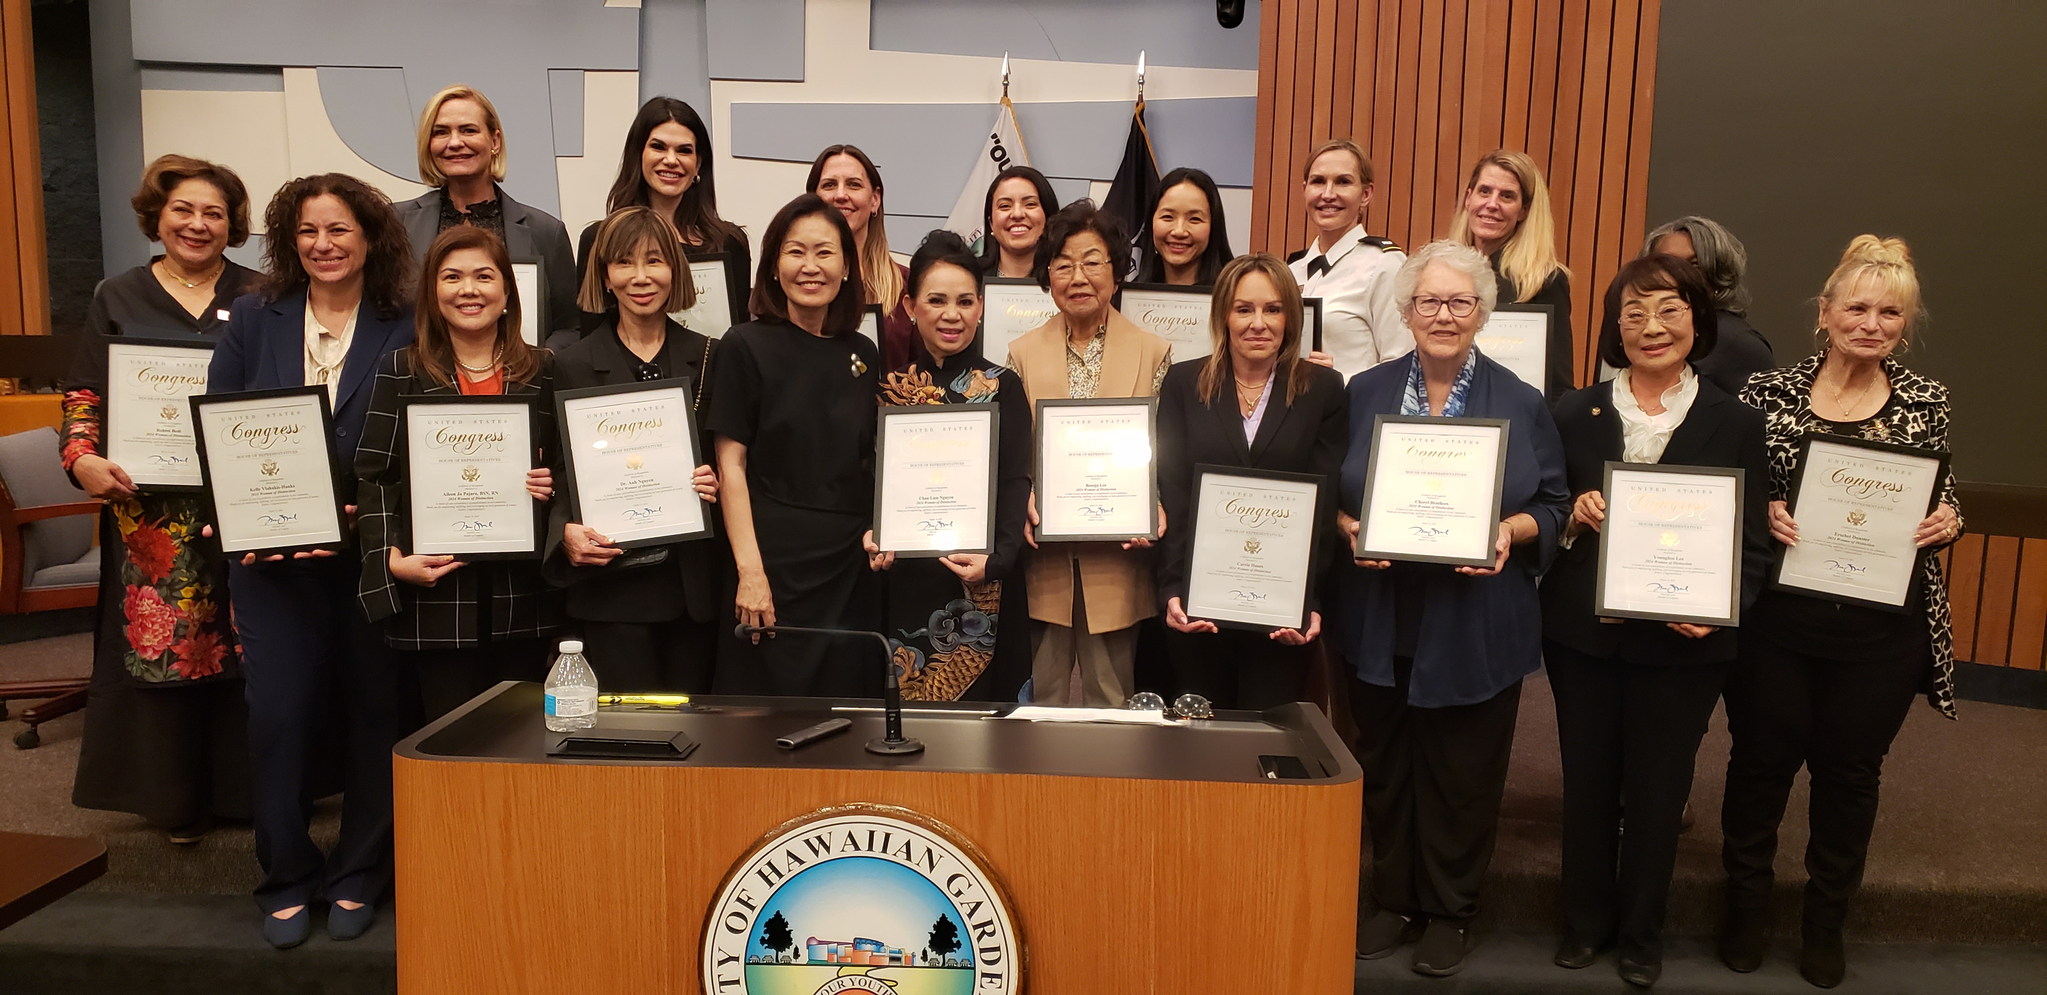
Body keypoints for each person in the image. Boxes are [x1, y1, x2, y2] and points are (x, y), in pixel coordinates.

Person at [1719, 236, 1962, 989]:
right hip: (1778, 622)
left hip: (1878, 631)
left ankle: (1825, 923)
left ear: (1905, 324)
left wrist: (1950, 516)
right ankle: (1744, 912)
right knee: (1760, 763)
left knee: (1849, 774)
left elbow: (1941, 489)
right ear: (1822, 313)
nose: (1870, 322)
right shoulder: (1767, 391)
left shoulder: (1927, 400)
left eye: (1889, 312)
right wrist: (1761, 508)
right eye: (1855, 307)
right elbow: (1733, 486)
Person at [1332, 240, 1569, 976]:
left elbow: (1554, 504)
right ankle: (1393, 898)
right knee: (1388, 761)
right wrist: (1348, 530)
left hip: (1474, 621)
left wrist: (1508, 528)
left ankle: (1449, 908)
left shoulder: (1520, 400)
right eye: (1427, 301)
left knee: (1462, 771)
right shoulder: (1363, 392)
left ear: (1481, 312)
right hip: (1380, 614)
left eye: (1458, 301)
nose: (1442, 314)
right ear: (1404, 311)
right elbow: (1329, 495)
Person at [1541, 255, 1773, 988]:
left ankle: (1642, 932)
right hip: (1583, 635)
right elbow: (1544, 514)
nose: (1651, 326)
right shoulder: (1573, 412)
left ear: (1697, 321)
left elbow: (1755, 547)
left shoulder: (1735, 420)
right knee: (1585, 780)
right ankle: (1583, 922)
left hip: (1684, 643)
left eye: (1669, 309)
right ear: (1614, 327)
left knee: (1656, 788)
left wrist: (1720, 607)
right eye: (1633, 312)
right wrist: (1573, 518)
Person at [206, 173, 415, 947]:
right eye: (306, 232)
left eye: (338, 230)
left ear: (370, 238)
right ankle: (286, 872)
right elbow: (223, 422)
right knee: (280, 715)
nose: (323, 245)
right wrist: (239, 516)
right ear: (289, 242)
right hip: (271, 559)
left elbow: (424, 425)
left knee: (373, 712)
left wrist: (380, 509)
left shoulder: (406, 316)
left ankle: (360, 870)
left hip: (370, 556)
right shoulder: (257, 316)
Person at [62, 154, 262, 843]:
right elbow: (85, 393)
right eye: (184, 210)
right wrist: (81, 456)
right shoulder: (117, 295)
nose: (198, 224)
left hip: (245, 499)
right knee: (167, 647)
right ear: (158, 215)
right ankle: (176, 802)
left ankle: (246, 794)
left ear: (233, 224)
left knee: (250, 640)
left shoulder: (262, 293)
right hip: (149, 514)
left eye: (214, 213)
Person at [354, 225, 562, 721]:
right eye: (452, 277)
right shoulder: (400, 369)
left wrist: (549, 485)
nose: (469, 290)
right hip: (437, 595)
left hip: (525, 596)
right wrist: (390, 560)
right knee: (450, 747)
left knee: (524, 741)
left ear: (508, 292)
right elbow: (374, 475)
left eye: (484, 276)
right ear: (432, 293)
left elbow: (568, 470)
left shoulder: (545, 370)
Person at [707, 194, 882, 696]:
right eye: (795, 251)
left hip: (849, 569)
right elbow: (730, 467)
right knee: (759, 728)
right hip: (771, 565)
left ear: (847, 267)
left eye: (825, 253)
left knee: (847, 723)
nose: (810, 267)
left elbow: (872, 461)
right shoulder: (743, 345)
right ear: (773, 265)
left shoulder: (863, 353)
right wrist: (750, 572)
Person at [545, 207, 724, 692]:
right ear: (604, 276)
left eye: (655, 261)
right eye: (624, 263)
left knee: (701, 744)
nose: (640, 277)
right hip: (612, 591)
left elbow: (732, 460)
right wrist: (565, 531)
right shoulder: (572, 364)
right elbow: (561, 470)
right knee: (628, 747)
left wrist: (717, 482)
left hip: (694, 593)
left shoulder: (711, 355)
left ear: (676, 272)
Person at [1155, 254, 1346, 708]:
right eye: (1244, 309)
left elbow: (1323, 505)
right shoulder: (1184, 382)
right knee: (1201, 736)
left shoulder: (1323, 389)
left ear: (1291, 318)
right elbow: (1175, 494)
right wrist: (1172, 589)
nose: (1258, 323)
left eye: (1273, 309)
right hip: (1200, 603)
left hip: (1281, 611)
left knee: (1270, 740)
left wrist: (1309, 599)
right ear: (1224, 314)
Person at [1006, 201, 1172, 707]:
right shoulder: (1020, 353)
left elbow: (1164, 446)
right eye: (1062, 264)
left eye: (1092, 261)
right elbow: (1014, 453)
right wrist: (1023, 497)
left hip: (1118, 562)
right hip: (1045, 560)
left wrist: (1155, 502)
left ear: (1116, 272)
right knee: (1041, 702)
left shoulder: (1153, 351)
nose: (1078, 276)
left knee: (1112, 701)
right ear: (1047, 277)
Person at [863, 230, 1033, 701]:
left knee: (987, 738)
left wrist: (997, 561)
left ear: (981, 307)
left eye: (964, 301)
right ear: (911, 304)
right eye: (936, 300)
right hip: (907, 575)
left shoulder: (1004, 387)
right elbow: (870, 479)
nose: (951, 314)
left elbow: (1016, 480)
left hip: (982, 575)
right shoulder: (887, 390)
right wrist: (872, 531)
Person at [393, 85, 577, 348]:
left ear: (495, 141)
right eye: (441, 132)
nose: (455, 142)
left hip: (521, 383)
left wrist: (537, 368)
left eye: (468, 130)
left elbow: (569, 327)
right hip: (420, 383)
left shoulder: (546, 231)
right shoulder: (397, 223)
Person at [576, 97, 752, 338]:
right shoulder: (598, 238)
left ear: (698, 163)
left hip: (711, 373)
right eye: (658, 147)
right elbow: (590, 335)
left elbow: (738, 337)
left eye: (684, 150)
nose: (671, 160)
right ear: (638, 155)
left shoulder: (730, 242)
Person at [1448, 149, 1574, 401]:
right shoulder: (1443, 272)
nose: (1492, 204)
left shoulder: (1542, 281)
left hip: (1513, 420)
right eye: (1485, 191)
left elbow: (1557, 385)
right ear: (1468, 198)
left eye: (1507, 196)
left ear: (1524, 211)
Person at [1287, 138, 1408, 384]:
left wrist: (1337, 379)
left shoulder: (1385, 265)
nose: (1328, 194)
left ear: (1365, 194)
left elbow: (1402, 366)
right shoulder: (1291, 271)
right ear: (1304, 190)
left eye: (1343, 182)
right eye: (1318, 181)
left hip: (1353, 414)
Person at [807, 144, 914, 370]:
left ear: (875, 200)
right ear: (812, 200)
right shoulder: (797, 282)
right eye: (829, 185)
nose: (840, 195)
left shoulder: (908, 285)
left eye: (854, 185)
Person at [1643, 216, 1774, 395]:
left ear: (1717, 275)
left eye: (1695, 265)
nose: (1680, 274)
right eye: (1668, 264)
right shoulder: (1634, 329)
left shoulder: (1738, 344)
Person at [1138, 167, 1234, 287]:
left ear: (1213, 227)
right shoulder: (1126, 297)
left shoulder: (1234, 296)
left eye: (1194, 219)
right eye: (1168, 217)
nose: (1179, 231)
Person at [978, 165, 1060, 278]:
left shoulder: (1065, 278)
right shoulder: (970, 277)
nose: (1017, 214)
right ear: (991, 223)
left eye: (1030, 204)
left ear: (1048, 216)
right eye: (1005, 206)